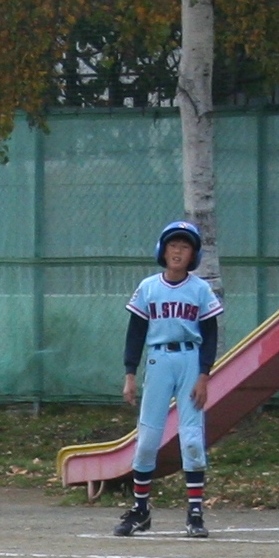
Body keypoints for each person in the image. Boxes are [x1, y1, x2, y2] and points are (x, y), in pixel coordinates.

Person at [115, 220, 222, 539]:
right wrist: (130, 374)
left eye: (185, 246)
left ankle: (195, 513)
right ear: (163, 250)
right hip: (158, 358)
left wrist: (204, 375)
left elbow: (210, 333)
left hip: (190, 358)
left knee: (191, 439)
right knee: (147, 441)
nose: (178, 251)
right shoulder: (149, 287)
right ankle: (141, 510)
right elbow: (135, 333)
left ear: (194, 255)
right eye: (173, 245)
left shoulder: (200, 289)